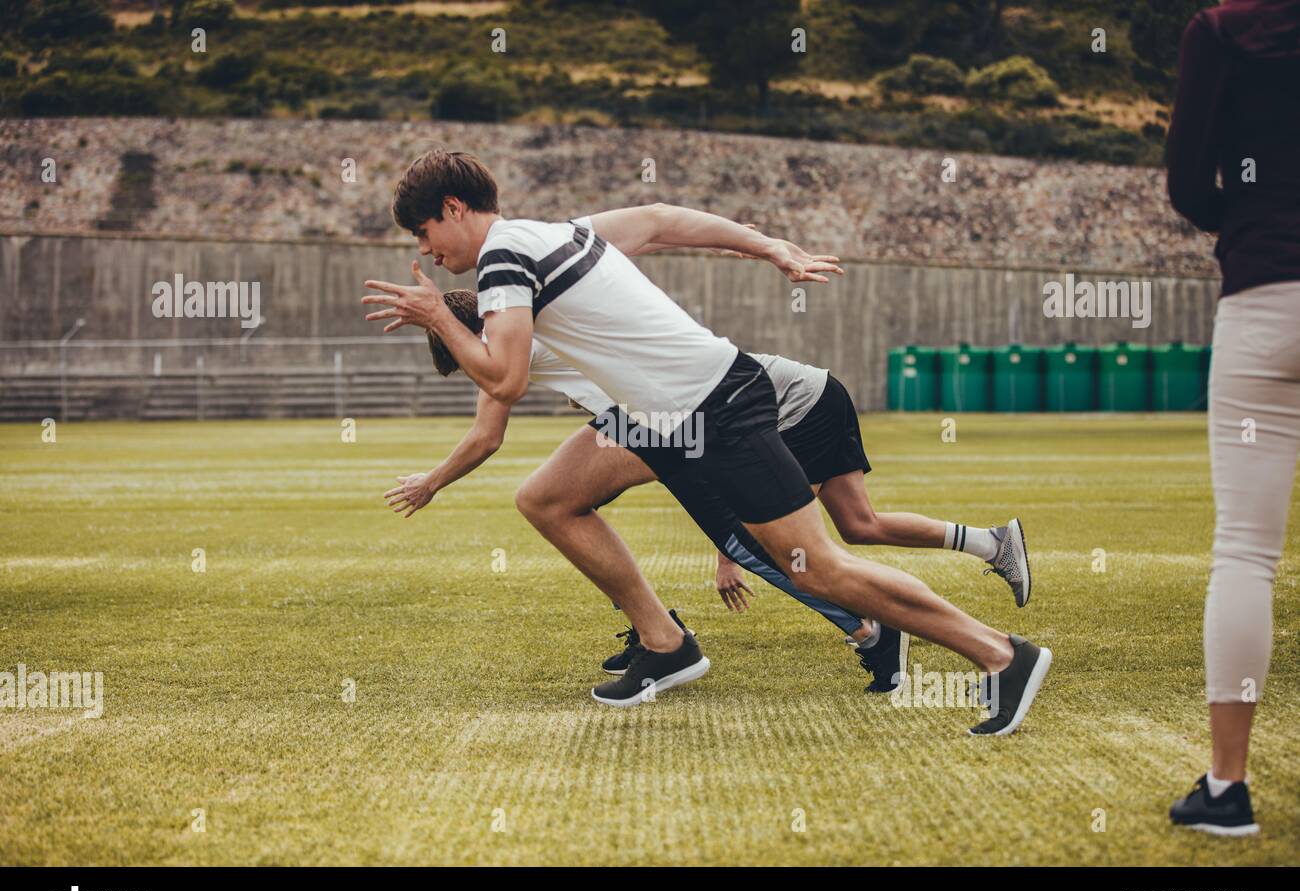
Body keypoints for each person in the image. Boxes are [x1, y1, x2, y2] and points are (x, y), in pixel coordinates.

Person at [363, 150, 1052, 734]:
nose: (426, 251)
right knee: (549, 498)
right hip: (691, 412)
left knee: (825, 567)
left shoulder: (505, 258)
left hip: (715, 409)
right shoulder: (552, 233)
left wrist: (437, 316)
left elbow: (504, 379)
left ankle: (999, 654)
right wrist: (768, 246)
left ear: (454, 208)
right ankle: (665, 643)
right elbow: (662, 222)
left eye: (425, 233)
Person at [1166, 0, 1300, 836]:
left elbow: (1187, 183)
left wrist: (1247, 226)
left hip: (1266, 298)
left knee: (1247, 551)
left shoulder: (1221, 31)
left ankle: (1227, 788)